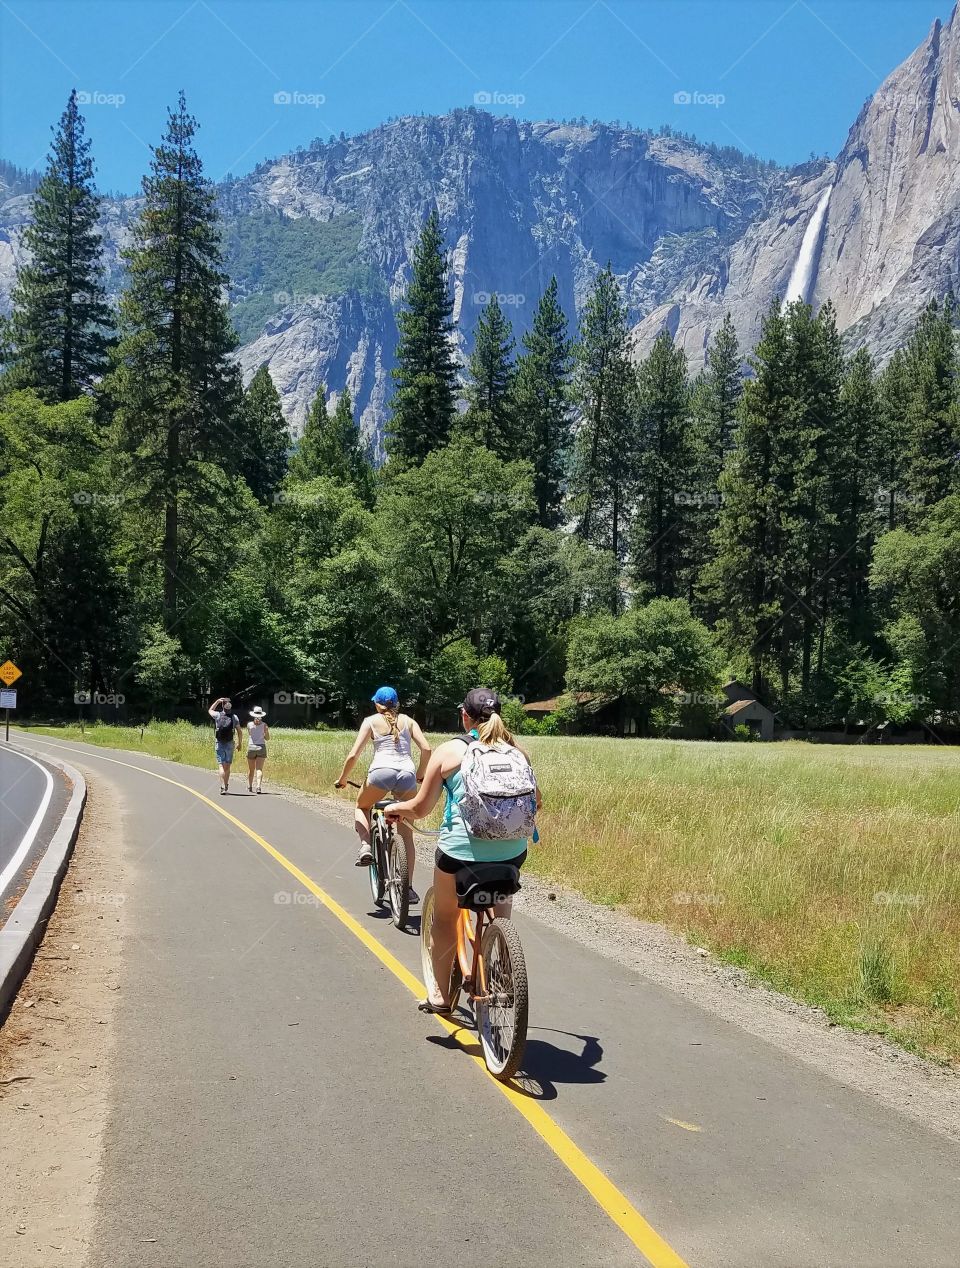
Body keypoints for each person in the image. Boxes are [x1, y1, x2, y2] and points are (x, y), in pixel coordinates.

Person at [386, 687, 540, 1014]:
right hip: (512, 853)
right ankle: (500, 959)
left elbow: (421, 808)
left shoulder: (450, 751)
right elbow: (536, 802)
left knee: (444, 919)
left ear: (464, 715)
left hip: (460, 855)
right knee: (499, 907)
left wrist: (396, 808)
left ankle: (440, 999)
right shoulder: (517, 752)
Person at [335, 686, 431, 900]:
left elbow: (353, 755)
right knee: (406, 834)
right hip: (406, 775)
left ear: (377, 704)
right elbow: (426, 749)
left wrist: (342, 779)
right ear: (397, 704)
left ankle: (366, 846)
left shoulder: (370, 721)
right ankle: (407, 888)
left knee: (362, 806)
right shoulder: (409, 721)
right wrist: (421, 775)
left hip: (380, 773)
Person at [208, 695, 241, 794]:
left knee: (221, 765)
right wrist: (240, 743)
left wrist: (217, 701)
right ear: (230, 706)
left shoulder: (217, 715)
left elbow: (210, 710)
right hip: (230, 743)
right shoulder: (234, 717)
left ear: (222, 706)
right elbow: (239, 731)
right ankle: (226, 785)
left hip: (219, 742)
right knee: (227, 766)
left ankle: (222, 786)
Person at [246, 705, 270, 794]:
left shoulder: (249, 725)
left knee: (251, 769)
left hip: (251, 747)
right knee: (259, 769)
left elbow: (250, 734)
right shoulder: (265, 725)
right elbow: (267, 738)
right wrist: (265, 732)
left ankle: (249, 786)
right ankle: (258, 786)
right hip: (261, 747)